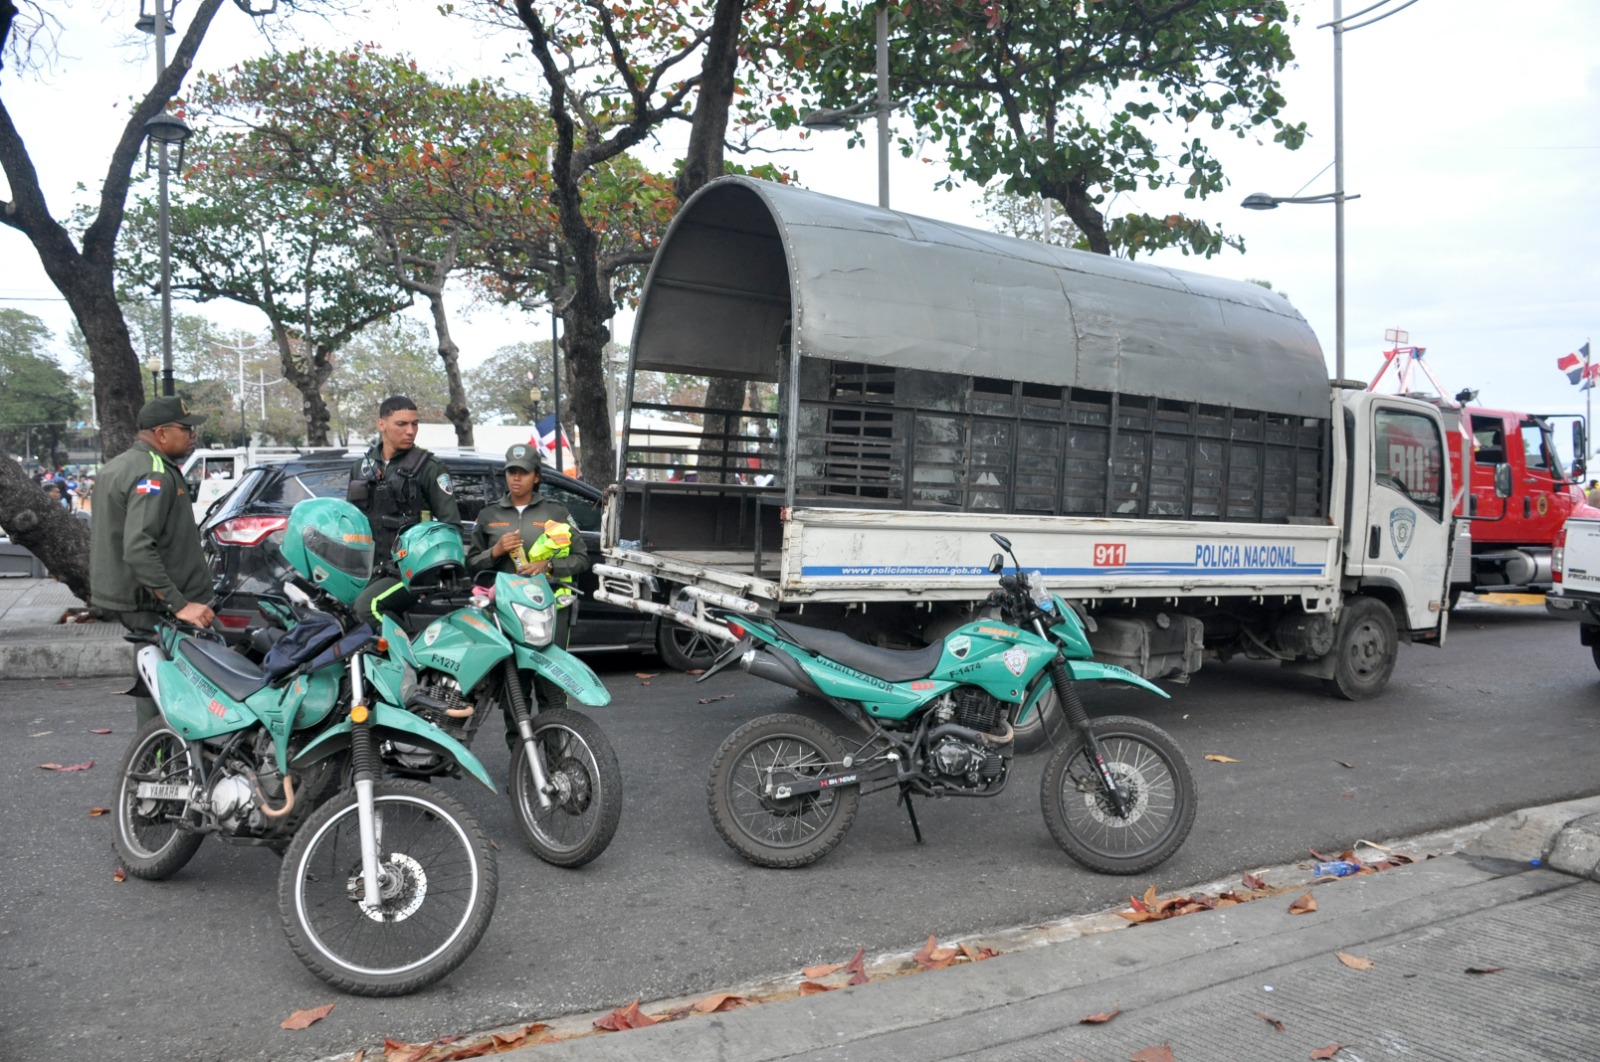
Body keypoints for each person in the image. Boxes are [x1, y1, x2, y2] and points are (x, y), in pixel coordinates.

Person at [89, 396, 215, 725]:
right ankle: (164, 763)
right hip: (156, 604)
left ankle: (155, 760)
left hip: (139, 601)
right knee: (171, 694)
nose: (192, 436)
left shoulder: (119, 465)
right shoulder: (153, 473)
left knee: (153, 685)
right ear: (161, 434)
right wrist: (178, 604)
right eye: (186, 429)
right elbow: (138, 547)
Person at [468, 444, 591, 721]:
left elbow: (582, 559)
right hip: (507, 612)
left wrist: (548, 566)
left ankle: (556, 759)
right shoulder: (490, 515)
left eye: (523, 472)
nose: (516, 478)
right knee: (515, 692)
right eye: (511, 471)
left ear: (536, 476)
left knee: (552, 688)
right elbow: (471, 564)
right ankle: (522, 760)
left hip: (549, 610)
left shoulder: (555, 512)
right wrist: (495, 551)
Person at [346, 395, 460, 624]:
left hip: (408, 571)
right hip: (366, 569)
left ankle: (401, 658)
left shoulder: (430, 467)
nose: (411, 431)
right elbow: (348, 522)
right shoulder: (361, 467)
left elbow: (451, 527)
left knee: (367, 609)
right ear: (382, 425)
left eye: (414, 423)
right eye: (402, 424)